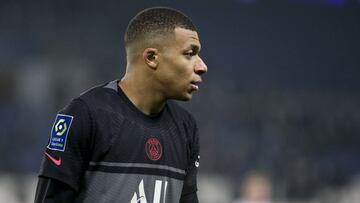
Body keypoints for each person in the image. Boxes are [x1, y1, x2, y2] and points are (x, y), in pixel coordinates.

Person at [34, 7, 207, 203]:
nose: (202, 66)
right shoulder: (85, 115)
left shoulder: (186, 127)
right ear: (151, 58)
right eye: (189, 53)